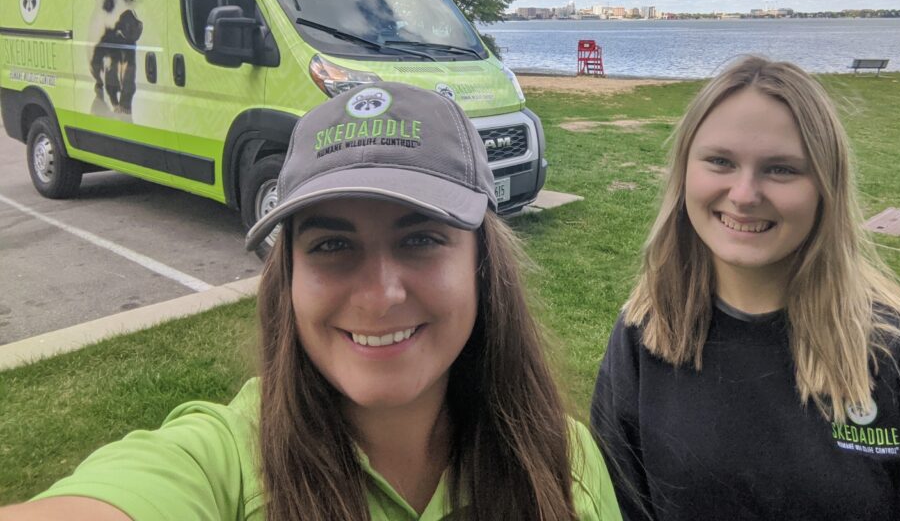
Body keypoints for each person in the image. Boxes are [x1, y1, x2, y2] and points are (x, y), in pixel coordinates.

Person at [3, 83, 622, 521]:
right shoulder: (221, 463)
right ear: (288, 276)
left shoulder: (562, 461)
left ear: (484, 268)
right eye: (331, 245)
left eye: (422, 239)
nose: (381, 296)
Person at [590, 56, 900, 521]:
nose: (743, 194)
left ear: (826, 186)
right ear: (683, 174)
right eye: (720, 161)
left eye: (781, 169)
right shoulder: (647, 333)